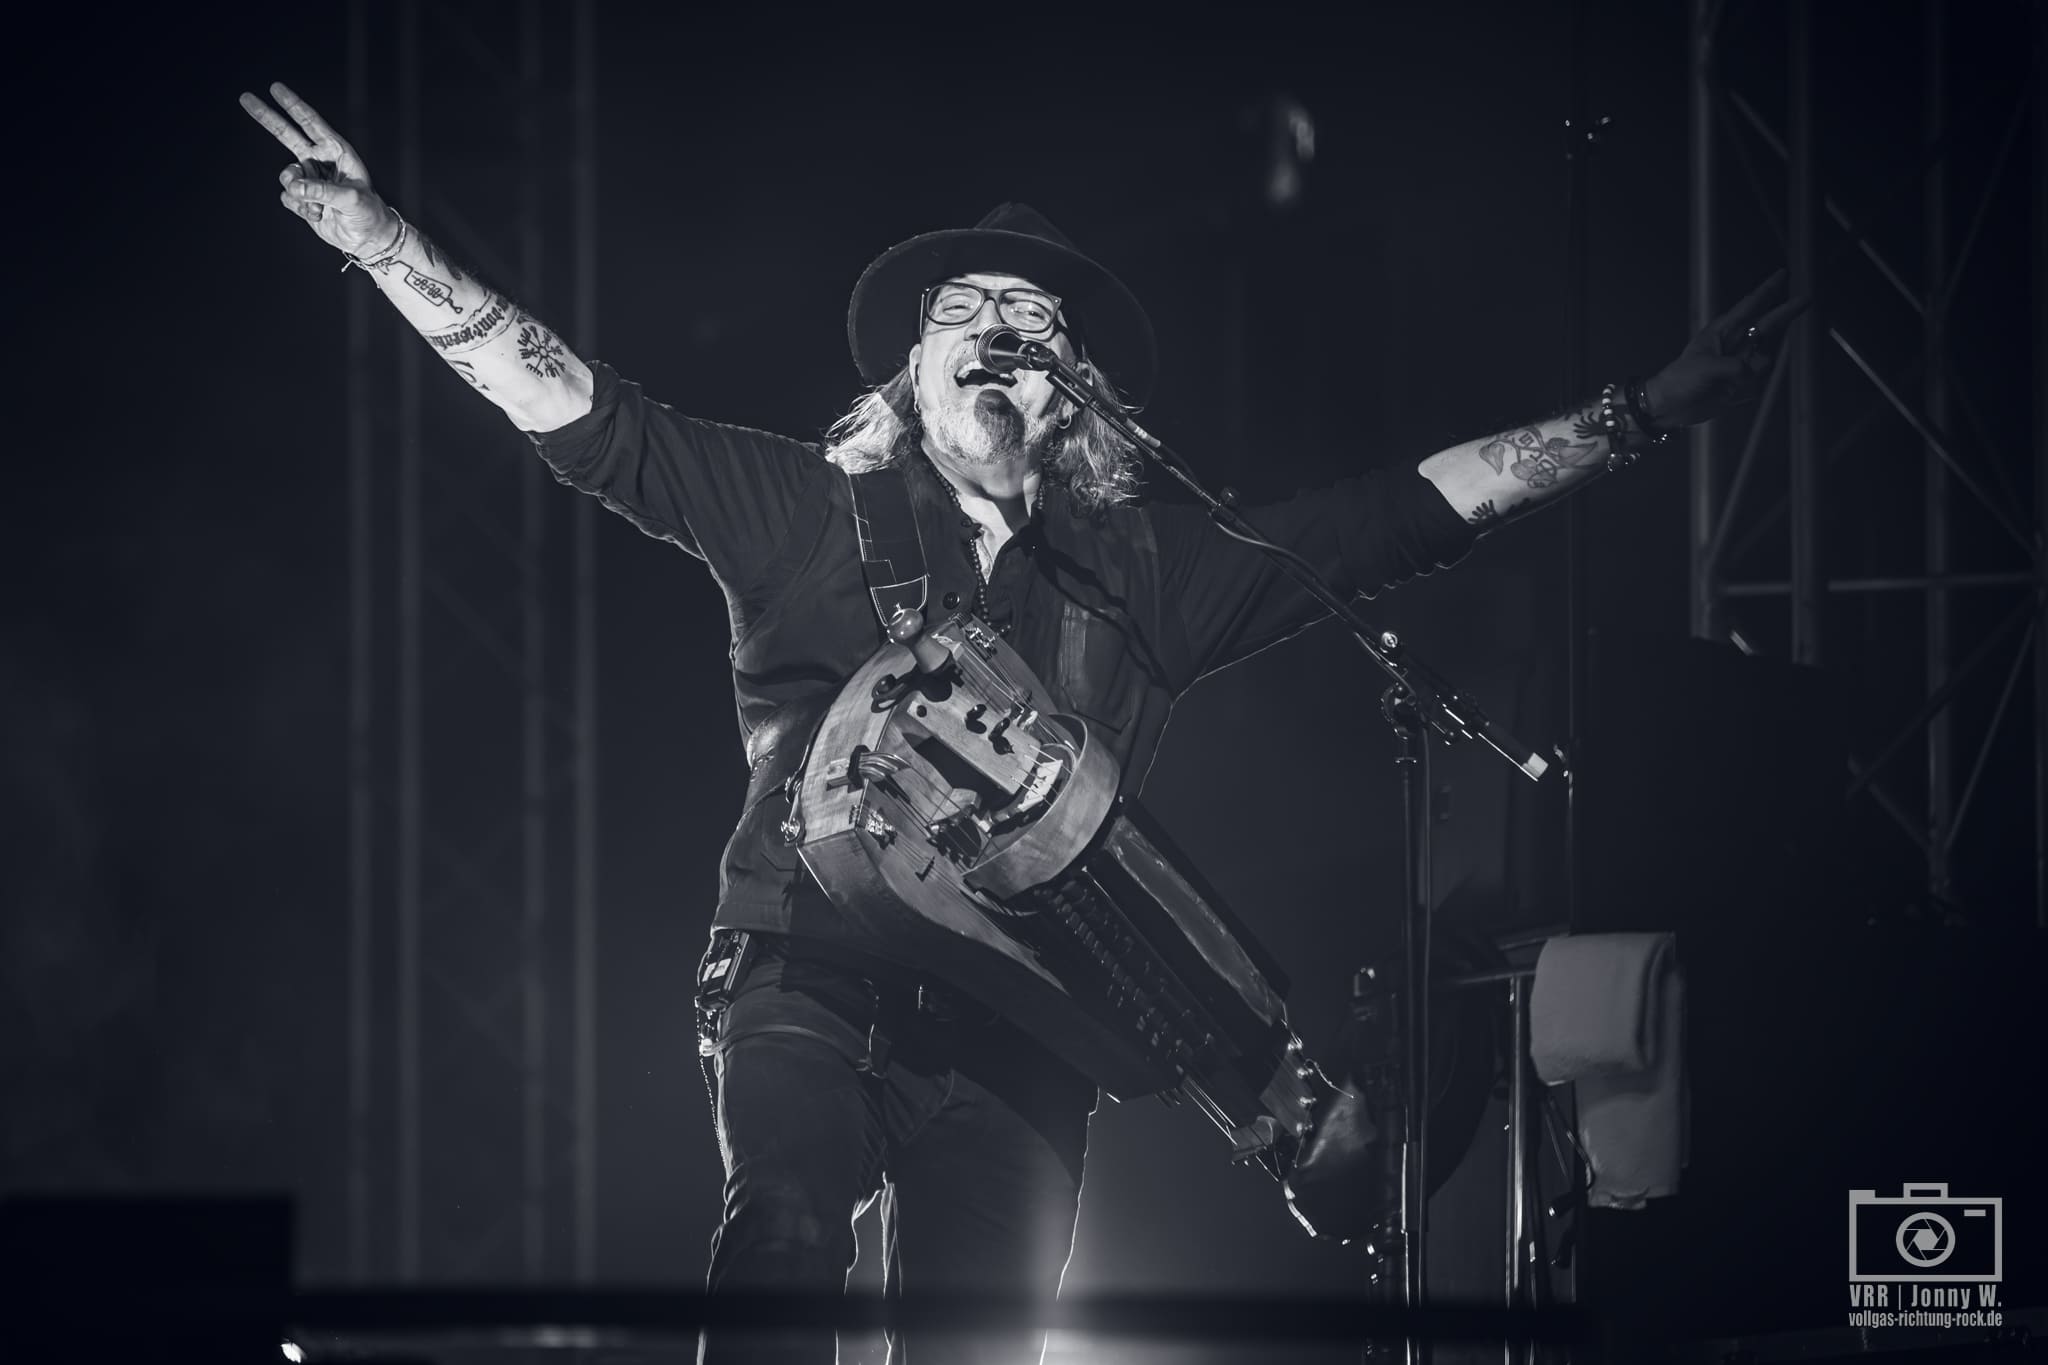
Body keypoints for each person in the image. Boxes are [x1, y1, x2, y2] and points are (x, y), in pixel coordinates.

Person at [242, 80, 1799, 1365]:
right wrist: (388, 244)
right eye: (966, 307)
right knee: (782, 1228)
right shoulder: (808, 509)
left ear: (1075, 391)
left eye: (1032, 317)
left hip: (1024, 1038)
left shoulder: (1151, 573)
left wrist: (1636, 415)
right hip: (807, 972)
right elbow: (591, 418)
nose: (999, 324)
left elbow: (1393, 517)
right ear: (912, 365)